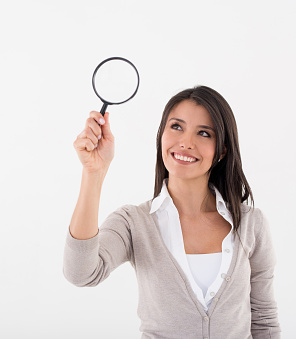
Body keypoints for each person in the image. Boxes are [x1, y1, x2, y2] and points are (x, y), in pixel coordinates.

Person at [63, 86, 281, 339]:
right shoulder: (133, 223)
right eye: (176, 127)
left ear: (222, 151)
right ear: (162, 136)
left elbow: (264, 321)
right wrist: (94, 173)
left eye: (204, 133)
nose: (186, 142)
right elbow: (80, 273)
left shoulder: (251, 224)